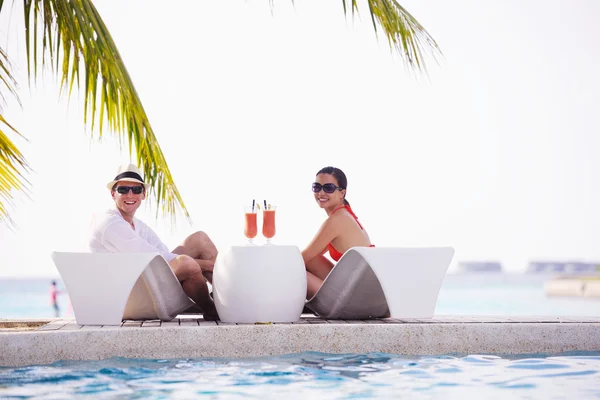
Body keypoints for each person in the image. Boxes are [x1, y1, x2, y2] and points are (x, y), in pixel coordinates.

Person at [88, 164, 219, 320]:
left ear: (143, 194)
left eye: (136, 190)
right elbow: (152, 257)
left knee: (199, 239)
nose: (130, 195)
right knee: (186, 264)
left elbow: (162, 252)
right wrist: (206, 265)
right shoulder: (110, 223)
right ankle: (211, 308)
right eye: (123, 189)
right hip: (125, 296)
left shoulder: (138, 225)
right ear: (112, 194)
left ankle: (226, 300)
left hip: (143, 282)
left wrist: (200, 264)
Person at [302, 166, 374, 299]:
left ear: (342, 193)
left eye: (328, 188)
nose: (321, 193)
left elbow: (301, 259)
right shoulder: (344, 214)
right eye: (317, 187)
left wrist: (271, 269)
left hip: (353, 299)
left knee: (295, 270)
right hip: (359, 292)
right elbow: (310, 257)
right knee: (311, 260)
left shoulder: (337, 220)